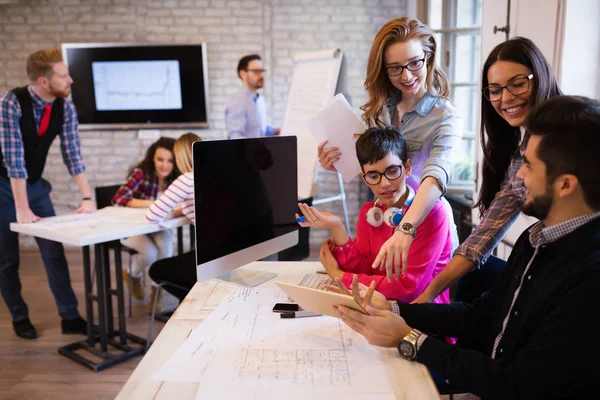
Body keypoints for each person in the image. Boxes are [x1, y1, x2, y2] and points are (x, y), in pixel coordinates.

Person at [334, 96, 600, 399]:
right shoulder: (534, 239)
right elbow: (480, 317)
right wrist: (396, 309)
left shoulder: (590, 279)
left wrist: (410, 338)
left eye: (527, 164)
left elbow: (518, 384)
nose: (519, 175)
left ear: (565, 185)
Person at [413, 37, 563, 304]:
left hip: (570, 274)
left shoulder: (575, 135)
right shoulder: (519, 157)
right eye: (495, 90)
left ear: (540, 77)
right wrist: (423, 300)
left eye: (517, 84)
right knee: (476, 279)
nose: (505, 98)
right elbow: (481, 239)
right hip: (545, 268)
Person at [318, 17, 462, 280]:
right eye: (395, 68)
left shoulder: (444, 115)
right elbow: (372, 164)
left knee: (414, 303)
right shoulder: (380, 110)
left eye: (415, 63)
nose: (406, 76)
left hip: (425, 227)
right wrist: (338, 160)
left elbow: (436, 175)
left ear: (428, 56)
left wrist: (406, 228)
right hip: (383, 222)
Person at [0, 49, 95, 339]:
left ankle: (69, 317)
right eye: (63, 76)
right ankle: (19, 317)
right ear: (44, 81)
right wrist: (22, 207)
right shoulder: (11, 103)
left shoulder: (65, 107)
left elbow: (73, 155)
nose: (71, 80)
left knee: (54, 251)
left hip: (36, 185)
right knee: (7, 258)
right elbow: (13, 160)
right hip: (4, 185)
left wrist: (88, 198)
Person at [298, 126, 452, 304]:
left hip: (422, 318)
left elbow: (406, 288)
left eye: (393, 171)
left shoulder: (433, 213)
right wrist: (337, 226)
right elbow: (364, 270)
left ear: (407, 167)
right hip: (378, 307)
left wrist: (338, 276)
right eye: (373, 176)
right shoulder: (371, 213)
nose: (384, 184)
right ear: (364, 178)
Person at [112, 137, 180, 300]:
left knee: (167, 250)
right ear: (152, 158)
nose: (165, 165)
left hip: (157, 228)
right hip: (134, 229)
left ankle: (157, 295)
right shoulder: (142, 174)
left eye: (170, 161)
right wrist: (155, 203)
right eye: (160, 159)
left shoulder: (175, 179)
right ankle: (132, 274)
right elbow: (119, 198)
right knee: (150, 253)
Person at [146, 133, 200, 304]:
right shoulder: (216, 173)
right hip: (234, 255)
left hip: (210, 260)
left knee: (157, 270)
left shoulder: (186, 179)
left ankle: (195, 305)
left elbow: (152, 215)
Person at [225, 54, 280, 139]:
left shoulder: (259, 99)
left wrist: (273, 131)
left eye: (262, 71)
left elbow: (259, 129)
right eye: (257, 71)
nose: (262, 75)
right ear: (243, 74)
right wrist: (258, 142)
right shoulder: (237, 102)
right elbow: (234, 138)